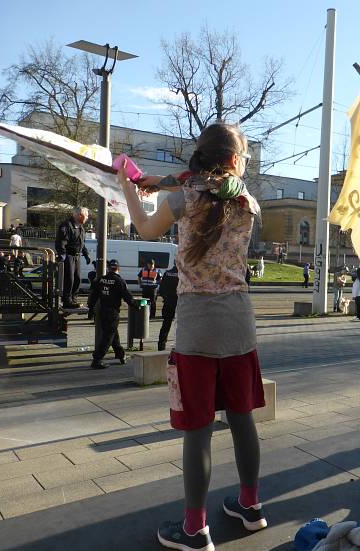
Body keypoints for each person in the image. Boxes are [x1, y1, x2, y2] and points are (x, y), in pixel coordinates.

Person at [119, 123, 266, 550]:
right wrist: (158, 180)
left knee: (198, 428)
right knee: (242, 418)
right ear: (234, 160)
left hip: (198, 323)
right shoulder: (248, 200)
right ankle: (251, 506)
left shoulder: (184, 197)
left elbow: (146, 229)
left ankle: (194, 529)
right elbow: (212, 184)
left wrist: (128, 186)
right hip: (239, 320)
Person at [87, 259, 133, 370]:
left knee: (113, 334)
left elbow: (93, 295)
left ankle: (121, 355)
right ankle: (97, 359)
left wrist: (90, 309)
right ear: (118, 268)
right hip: (112, 312)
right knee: (108, 336)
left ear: (108, 268)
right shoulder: (119, 281)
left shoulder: (101, 279)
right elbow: (128, 297)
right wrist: (136, 305)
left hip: (102, 311)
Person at [55, 206, 91, 308]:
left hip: (77, 256)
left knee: (77, 279)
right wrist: (62, 255)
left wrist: (86, 255)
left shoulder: (81, 228)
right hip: (68, 255)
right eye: (86, 215)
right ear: (79, 215)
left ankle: (73, 300)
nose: (87, 218)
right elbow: (61, 242)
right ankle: (67, 301)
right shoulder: (67, 225)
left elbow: (82, 244)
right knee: (69, 279)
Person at [157, 262, 179, 351]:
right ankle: (179, 347)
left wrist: (166, 298)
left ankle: (161, 346)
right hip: (179, 303)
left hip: (168, 302)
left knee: (166, 324)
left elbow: (161, 289)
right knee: (180, 326)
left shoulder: (167, 273)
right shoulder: (183, 274)